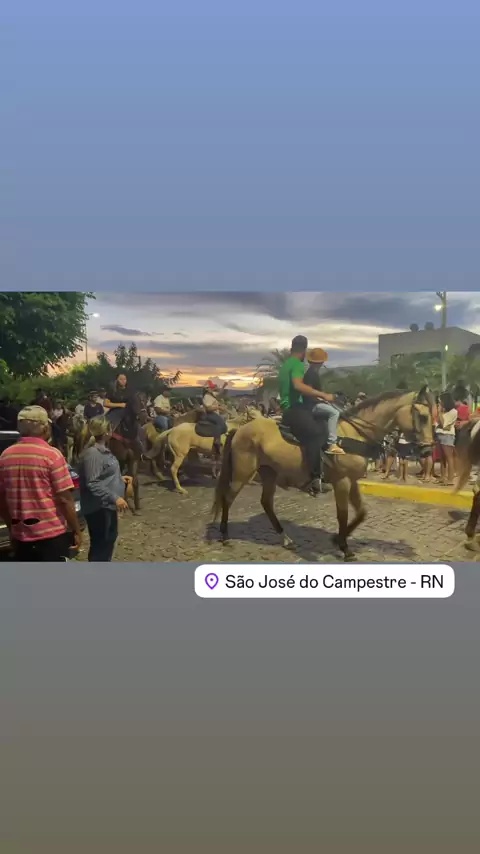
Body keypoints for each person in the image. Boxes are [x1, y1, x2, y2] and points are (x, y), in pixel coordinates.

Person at [0, 405, 81, 561]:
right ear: (45, 428)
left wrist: (12, 529)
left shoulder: (5, 456)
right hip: (51, 536)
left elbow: (2, 501)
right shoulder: (52, 455)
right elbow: (64, 499)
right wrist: (76, 529)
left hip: (21, 536)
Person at [278, 335, 334, 495]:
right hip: (295, 409)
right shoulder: (297, 364)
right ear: (303, 351)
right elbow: (298, 385)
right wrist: (323, 395)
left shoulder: (286, 364)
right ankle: (314, 480)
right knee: (315, 434)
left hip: (290, 408)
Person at [78, 415, 131, 561]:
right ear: (107, 431)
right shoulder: (93, 453)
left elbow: (103, 475)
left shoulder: (102, 451)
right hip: (99, 508)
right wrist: (116, 498)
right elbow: (93, 482)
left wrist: (119, 479)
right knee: (101, 545)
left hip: (106, 506)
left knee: (108, 541)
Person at [303, 348, 345, 455]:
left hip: (313, 403)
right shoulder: (311, 374)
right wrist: (322, 399)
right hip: (311, 406)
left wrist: (323, 399)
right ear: (320, 362)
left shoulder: (312, 373)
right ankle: (332, 444)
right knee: (334, 413)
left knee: (340, 411)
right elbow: (309, 393)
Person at [104, 373, 145, 456]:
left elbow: (135, 402)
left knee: (139, 430)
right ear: (117, 380)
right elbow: (105, 403)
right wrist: (120, 404)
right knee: (107, 428)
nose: (123, 381)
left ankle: (141, 452)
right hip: (116, 412)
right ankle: (103, 447)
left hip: (129, 412)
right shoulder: (112, 391)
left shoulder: (130, 391)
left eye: (124, 379)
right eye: (121, 379)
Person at [200, 381, 228, 457]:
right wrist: (218, 407)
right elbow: (208, 408)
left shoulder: (211, 395)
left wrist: (223, 386)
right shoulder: (206, 397)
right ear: (207, 389)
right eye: (211, 387)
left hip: (215, 414)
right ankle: (217, 440)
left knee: (222, 420)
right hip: (210, 414)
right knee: (219, 421)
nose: (213, 388)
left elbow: (219, 393)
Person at [435, 392, 458, 486]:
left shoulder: (453, 412)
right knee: (442, 458)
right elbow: (438, 423)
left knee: (449, 458)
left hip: (447, 436)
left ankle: (450, 479)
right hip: (440, 434)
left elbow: (443, 424)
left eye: (440, 401)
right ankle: (442, 477)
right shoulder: (444, 411)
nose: (439, 403)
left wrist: (440, 412)